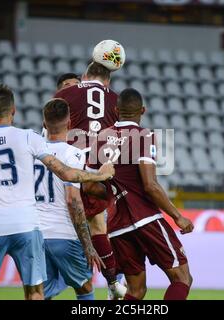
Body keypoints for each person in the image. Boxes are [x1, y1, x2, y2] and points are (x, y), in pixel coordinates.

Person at [0, 84, 114, 300]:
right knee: (37, 293)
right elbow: (66, 174)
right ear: (14, 110)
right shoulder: (29, 138)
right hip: (27, 226)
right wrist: (100, 175)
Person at [85, 88, 194, 300]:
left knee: (136, 291)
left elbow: (89, 187)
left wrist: (114, 192)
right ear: (143, 110)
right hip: (146, 219)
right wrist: (177, 216)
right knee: (182, 278)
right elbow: (150, 185)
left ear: (116, 110)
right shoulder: (143, 136)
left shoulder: (100, 137)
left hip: (117, 226)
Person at [54, 62, 126, 299]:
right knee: (99, 225)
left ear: (84, 77)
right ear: (108, 81)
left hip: (70, 169)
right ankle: (114, 281)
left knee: (83, 226)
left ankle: (109, 281)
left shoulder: (65, 96)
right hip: (100, 171)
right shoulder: (115, 99)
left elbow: (51, 131)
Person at [35, 98, 103, 300]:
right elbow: (73, 200)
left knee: (41, 293)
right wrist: (88, 246)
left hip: (35, 234)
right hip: (62, 233)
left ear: (44, 124)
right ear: (70, 123)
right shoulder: (73, 154)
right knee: (84, 287)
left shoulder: (32, 153)